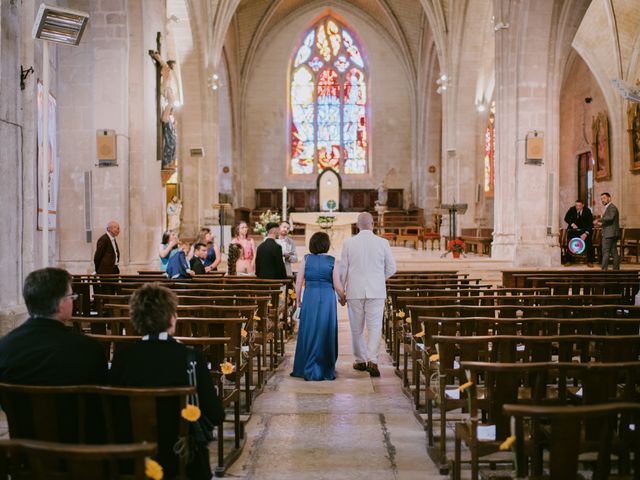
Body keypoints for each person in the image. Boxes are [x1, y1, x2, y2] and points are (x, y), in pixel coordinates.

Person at [110, 283, 224, 480]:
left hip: (134, 459)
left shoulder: (122, 357)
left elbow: (114, 412)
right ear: (172, 319)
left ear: (137, 320)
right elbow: (215, 414)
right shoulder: (190, 356)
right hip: (181, 460)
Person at [0, 267, 107, 385]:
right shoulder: (90, 350)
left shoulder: (4, 348)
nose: (73, 301)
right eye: (71, 297)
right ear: (61, 304)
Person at [339, 212, 397, 377]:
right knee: (375, 326)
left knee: (356, 328)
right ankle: (373, 360)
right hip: (376, 291)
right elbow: (392, 268)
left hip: (354, 291)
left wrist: (341, 292)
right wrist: (380, 278)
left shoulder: (349, 243)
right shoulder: (383, 242)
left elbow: (343, 269)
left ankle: (360, 361)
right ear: (373, 224)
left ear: (357, 225)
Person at [291, 232, 345, 381]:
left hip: (310, 297)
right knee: (325, 330)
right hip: (327, 298)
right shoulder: (332, 261)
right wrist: (343, 298)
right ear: (326, 245)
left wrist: (298, 301)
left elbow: (298, 282)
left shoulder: (306, 259)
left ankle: (305, 366)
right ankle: (324, 367)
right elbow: (338, 286)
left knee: (309, 330)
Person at [563, 199, 594, 266]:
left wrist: (586, 233)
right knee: (570, 242)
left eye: (579, 206)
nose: (577, 207)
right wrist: (572, 224)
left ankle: (590, 261)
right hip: (573, 230)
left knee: (589, 243)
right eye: (576, 205)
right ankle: (568, 260)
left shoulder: (587, 211)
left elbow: (590, 224)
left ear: (583, 205)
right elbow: (566, 218)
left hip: (584, 230)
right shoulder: (572, 209)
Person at [594, 192, 621, 270]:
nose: (602, 200)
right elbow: (609, 221)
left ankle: (604, 270)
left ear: (609, 198)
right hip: (611, 233)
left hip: (609, 234)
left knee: (605, 252)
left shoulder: (612, 207)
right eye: (601, 199)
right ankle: (616, 270)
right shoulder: (609, 207)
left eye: (604, 198)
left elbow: (610, 217)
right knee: (614, 252)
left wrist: (598, 219)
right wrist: (601, 224)